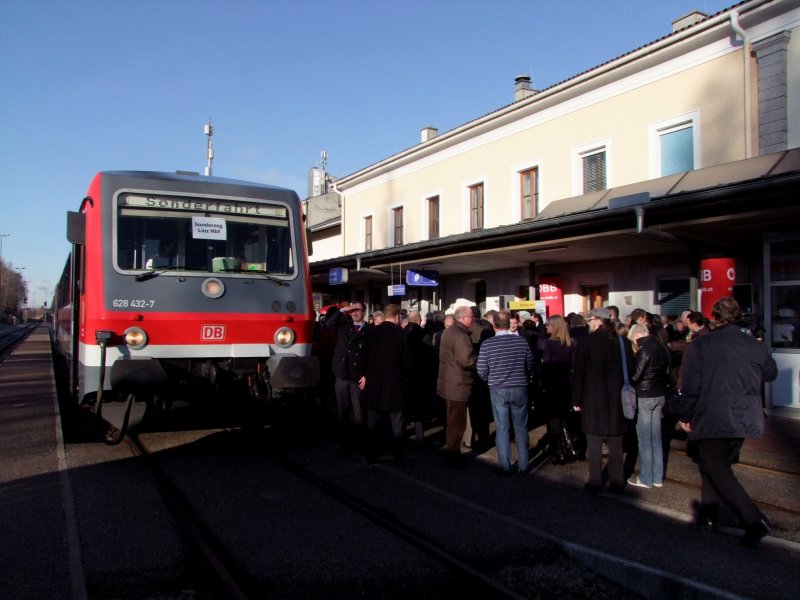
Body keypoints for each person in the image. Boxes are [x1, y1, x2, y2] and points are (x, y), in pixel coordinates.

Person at [679, 297, 778, 546]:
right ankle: (710, 517)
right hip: (743, 415)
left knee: (714, 466)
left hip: (713, 413)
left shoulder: (703, 345)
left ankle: (752, 519)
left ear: (714, 317)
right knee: (716, 465)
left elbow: (691, 385)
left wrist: (685, 415)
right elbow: (770, 373)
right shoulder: (753, 345)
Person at [572, 307, 632, 493]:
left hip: (592, 397)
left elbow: (579, 372)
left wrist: (576, 398)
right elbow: (629, 370)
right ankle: (616, 480)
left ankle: (595, 480)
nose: (589, 324)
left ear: (598, 321)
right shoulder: (622, 342)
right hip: (616, 398)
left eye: (590, 321)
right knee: (615, 441)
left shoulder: (585, 342)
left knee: (594, 440)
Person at [476, 310, 534, 474]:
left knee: (502, 428)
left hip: (498, 388)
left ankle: (504, 465)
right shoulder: (521, 342)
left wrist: (490, 378)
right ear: (509, 324)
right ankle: (524, 465)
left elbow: (481, 369)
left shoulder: (487, 344)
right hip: (519, 387)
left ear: (493, 325)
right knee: (521, 427)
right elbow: (529, 362)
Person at [359, 304, 410, 464]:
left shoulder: (370, 332)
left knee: (372, 420)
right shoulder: (401, 334)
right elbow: (407, 362)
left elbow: (363, 357)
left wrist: (364, 375)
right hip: (394, 384)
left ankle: (371, 455)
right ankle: (399, 456)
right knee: (397, 422)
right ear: (397, 317)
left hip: (374, 382)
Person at [627, 323, 670, 489]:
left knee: (644, 440)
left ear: (637, 336)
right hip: (659, 394)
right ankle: (658, 477)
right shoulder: (662, 347)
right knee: (656, 439)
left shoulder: (644, 350)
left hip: (645, 396)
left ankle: (646, 478)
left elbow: (636, 376)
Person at [325, 302, 368, 451]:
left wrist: (367, 375)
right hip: (342, 374)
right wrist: (343, 309)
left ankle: (361, 443)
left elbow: (375, 355)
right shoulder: (344, 327)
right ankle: (345, 443)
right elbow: (329, 323)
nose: (355, 313)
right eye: (353, 311)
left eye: (358, 310)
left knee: (359, 413)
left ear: (364, 312)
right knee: (343, 411)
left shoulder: (370, 330)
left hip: (358, 377)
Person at [437, 305, 477, 467]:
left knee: (452, 421)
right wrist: (481, 360)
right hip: (457, 384)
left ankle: (452, 453)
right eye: (471, 316)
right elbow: (466, 360)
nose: (472, 319)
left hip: (448, 382)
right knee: (457, 424)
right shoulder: (460, 335)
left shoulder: (449, 331)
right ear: (463, 317)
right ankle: (453, 456)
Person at [538, 314, 575, 464]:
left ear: (554, 326)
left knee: (553, 420)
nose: (546, 327)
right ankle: (570, 446)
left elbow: (546, 366)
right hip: (565, 385)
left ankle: (558, 451)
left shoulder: (550, 344)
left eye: (548, 324)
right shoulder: (569, 344)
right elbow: (573, 366)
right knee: (564, 417)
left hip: (552, 385)